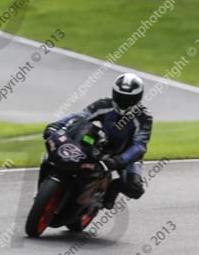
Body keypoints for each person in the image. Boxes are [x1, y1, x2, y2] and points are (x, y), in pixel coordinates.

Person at [40, 74, 152, 209]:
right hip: (101, 143)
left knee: (135, 188)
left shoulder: (144, 117)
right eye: (120, 96)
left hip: (126, 154)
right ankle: (47, 188)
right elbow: (81, 116)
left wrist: (119, 161)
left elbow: (139, 146)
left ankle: (112, 188)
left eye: (129, 98)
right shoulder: (104, 104)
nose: (123, 101)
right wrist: (56, 125)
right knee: (57, 155)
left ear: (138, 97)